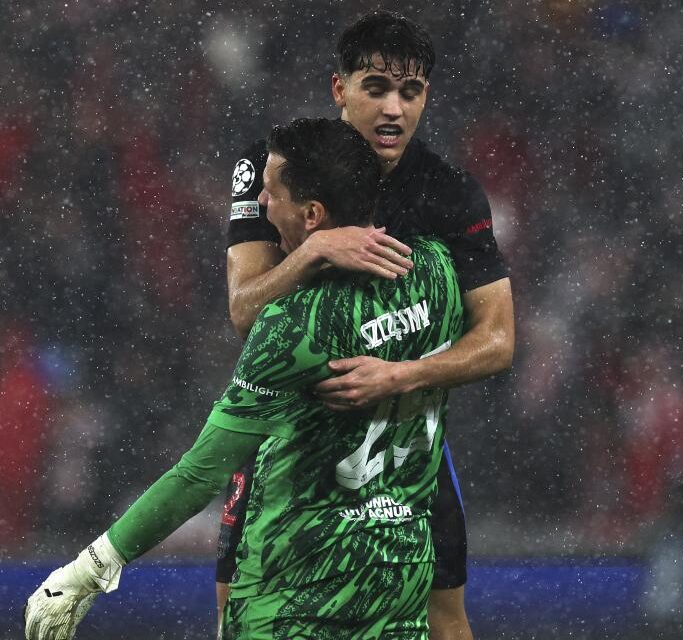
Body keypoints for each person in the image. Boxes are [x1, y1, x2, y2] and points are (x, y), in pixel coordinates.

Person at [25, 117, 466, 639]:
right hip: (398, 590)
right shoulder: (437, 272)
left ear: (313, 215)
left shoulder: (294, 325)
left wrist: (85, 572)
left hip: (293, 601)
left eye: (271, 191)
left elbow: (198, 475)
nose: (259, 202)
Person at [220, 11, 515, 639]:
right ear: (339, 89)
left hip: (399, 441)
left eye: (410, 92)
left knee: (444, 618)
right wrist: (314, 250)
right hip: (286, 437)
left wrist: (399, 374)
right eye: (375, 86)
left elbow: (498, 340)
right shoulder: (272, 167)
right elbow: (246, 312)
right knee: (236, 604)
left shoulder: (448, 193)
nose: (393, 109)